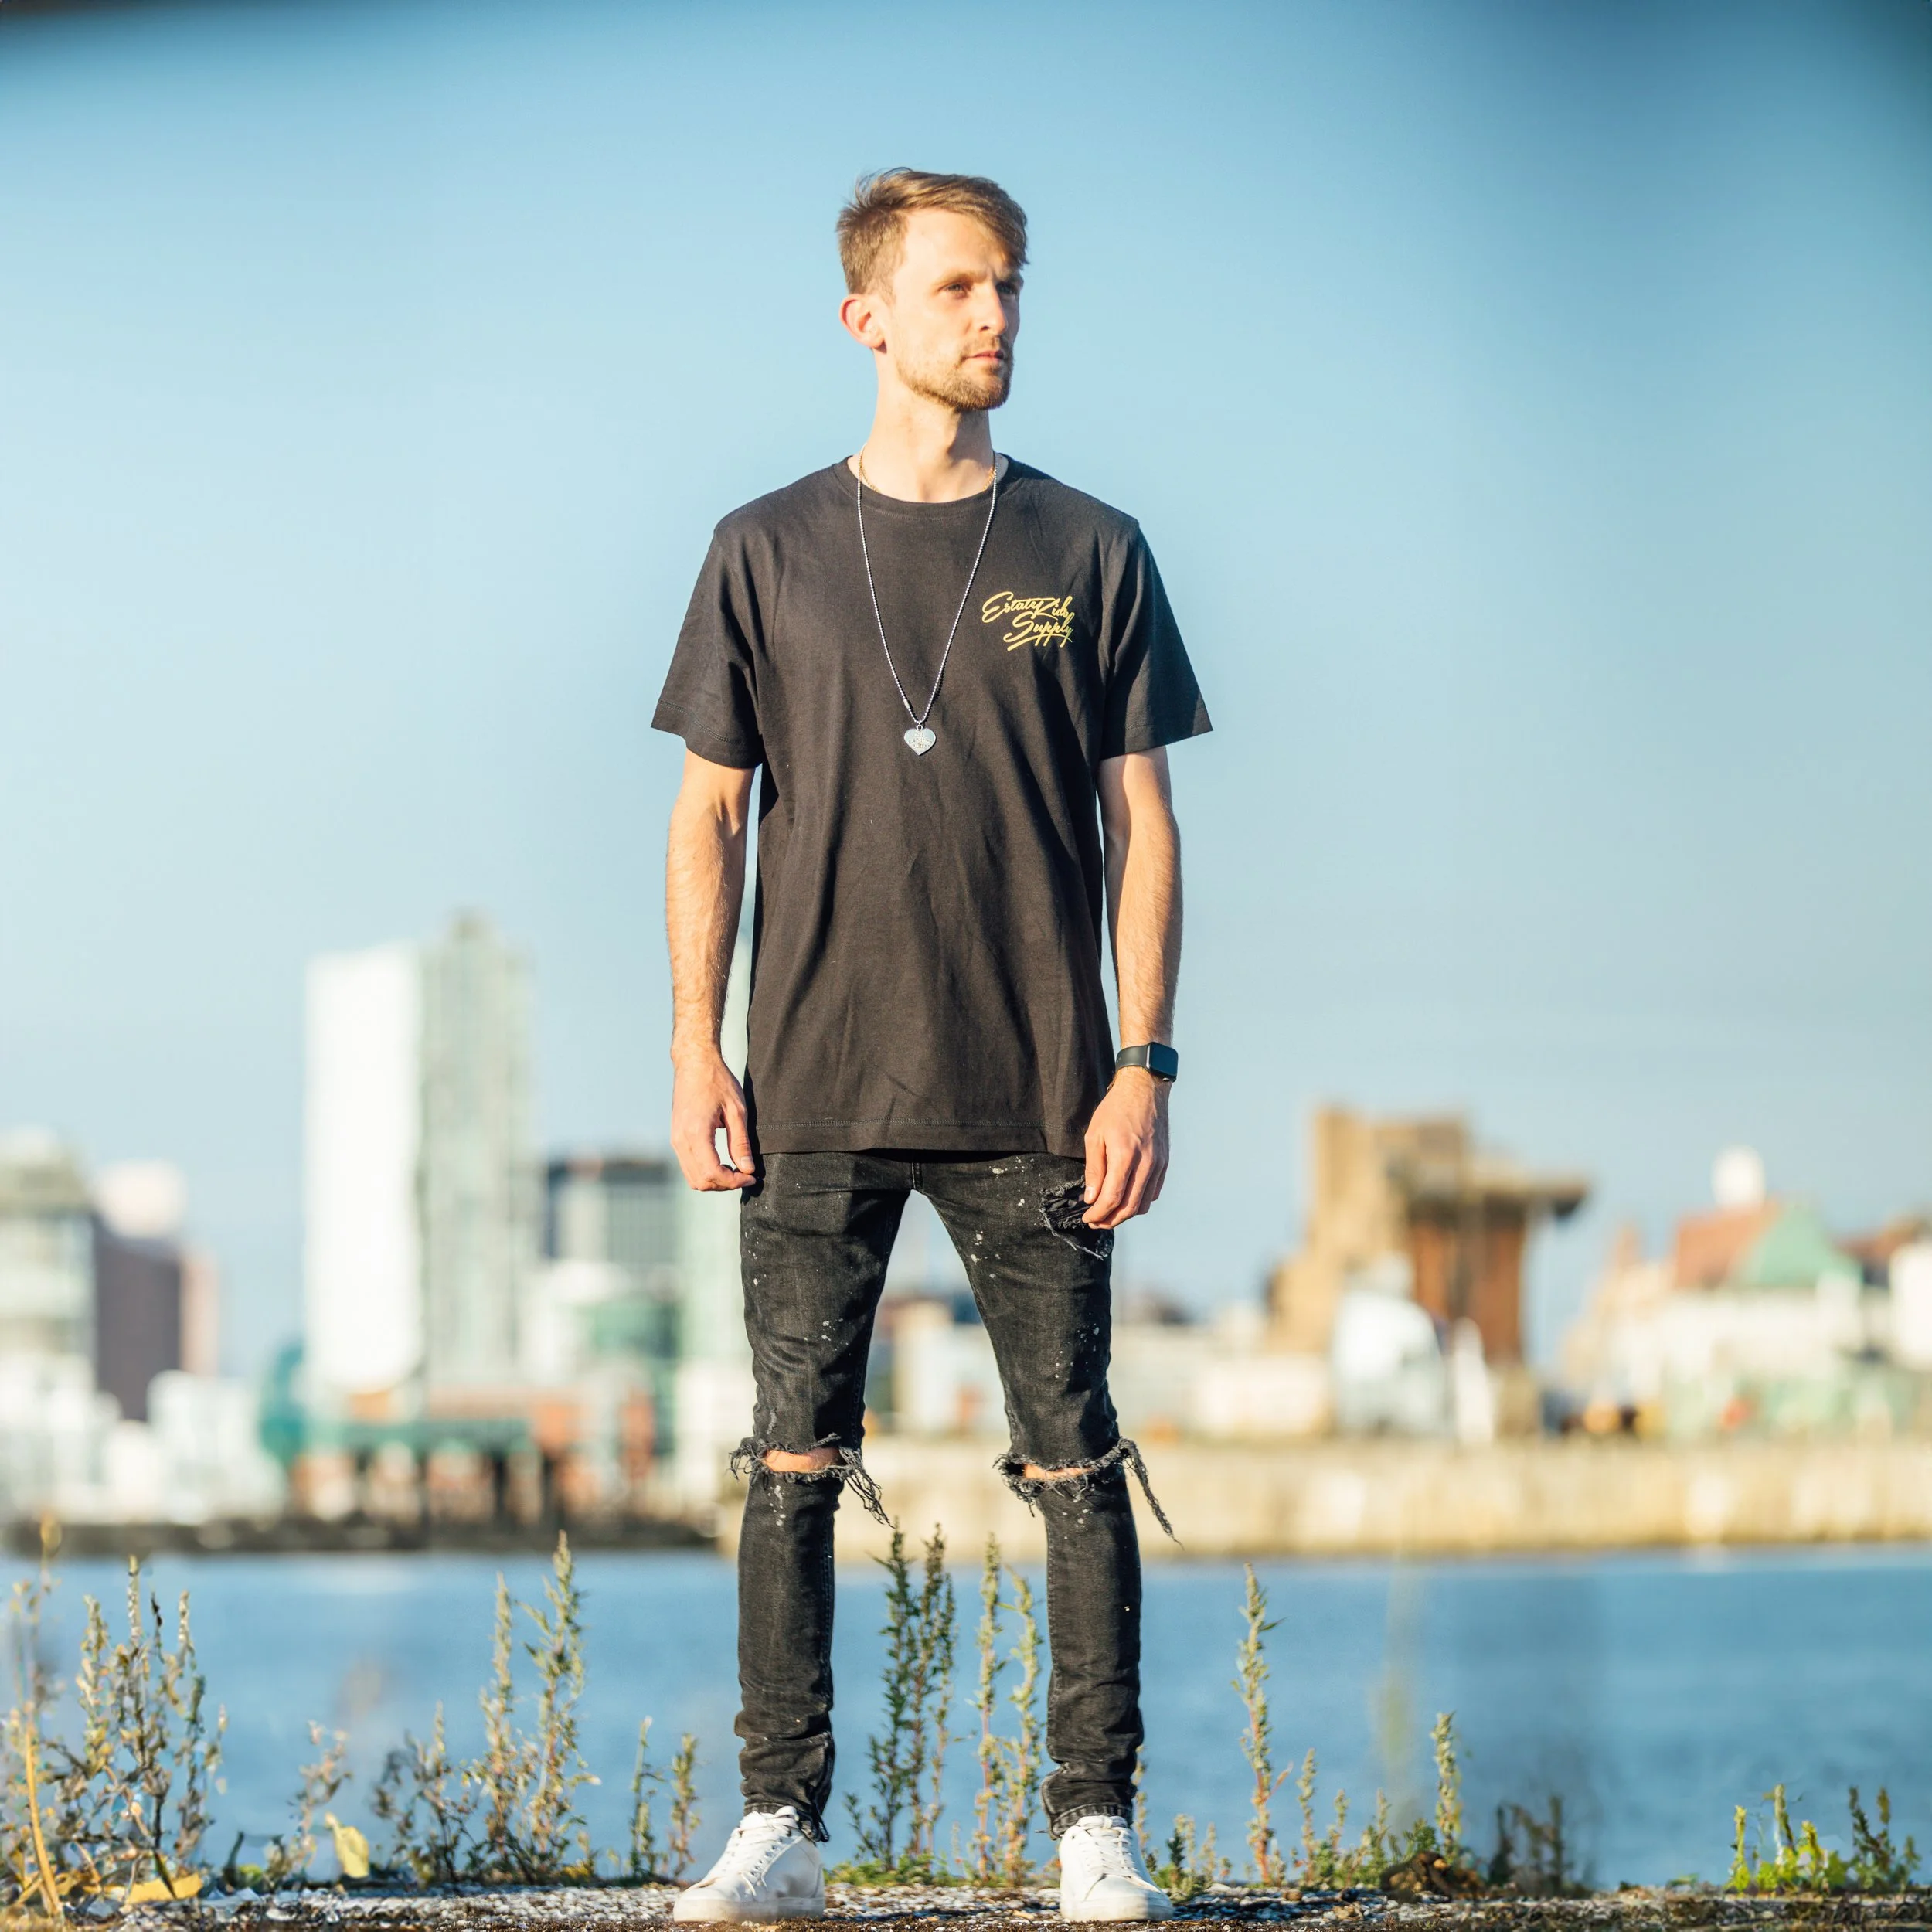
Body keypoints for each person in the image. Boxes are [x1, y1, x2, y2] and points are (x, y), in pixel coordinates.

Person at [654, 168, 1209, 1923]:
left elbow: (1147, 824)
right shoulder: (761, 547)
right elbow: (708, 818)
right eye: (960, 288)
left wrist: (1145, 1062)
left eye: (1011, 289)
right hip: (812, 1075)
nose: (995, 319)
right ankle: (778, 1825)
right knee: (791, 1454)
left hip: (1040, 1083)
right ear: (866, 316)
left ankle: (1091, 1827)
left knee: (1073, 1453)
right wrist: (694, 1041)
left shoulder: (1088, 547)